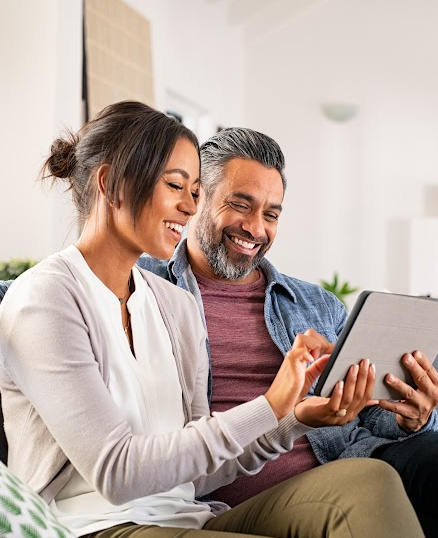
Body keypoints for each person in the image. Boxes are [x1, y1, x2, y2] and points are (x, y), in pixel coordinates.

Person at [0, 101, 424, 538]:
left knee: (369, 482)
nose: (189, 207)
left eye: (195, 191)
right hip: (95, 525)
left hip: (191, 516)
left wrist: (295, 418)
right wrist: (271, 404)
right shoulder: (45, 298)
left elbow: (201, 476)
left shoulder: (173, 305)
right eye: (176, 186)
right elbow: (116, 472)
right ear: (112, 184)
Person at [135, 127, 438, 537]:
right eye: (240, 205)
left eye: (271, 214)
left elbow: (366, 415)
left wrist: (411, 418)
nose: (255, 228)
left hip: (339, 465)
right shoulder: (139, 287)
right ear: (196, 197)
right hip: (220, 499)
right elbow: (40, 288)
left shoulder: (316, 304)